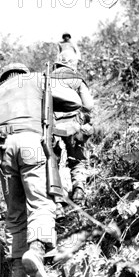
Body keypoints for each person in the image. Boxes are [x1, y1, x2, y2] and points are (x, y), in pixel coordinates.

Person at [0, 63, 84, 277]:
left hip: (3, 150)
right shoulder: (36, 80)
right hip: (32, 144)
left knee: (15, 211)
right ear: (23, 72)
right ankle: (37, 250)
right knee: (41, 203)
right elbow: (74, 101)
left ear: (4, 77)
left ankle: (18, 272)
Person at [51, 61, 94, 204]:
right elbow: (88, 105)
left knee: (52, 161)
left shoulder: (46, 80)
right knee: (77, 157)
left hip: (53, 125)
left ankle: (56, 198)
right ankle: (79, 188)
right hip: (74, 123)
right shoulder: (77, 79)